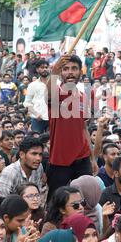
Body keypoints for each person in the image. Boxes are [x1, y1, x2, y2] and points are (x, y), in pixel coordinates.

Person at [46, 55, 92, 200]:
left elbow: (84, 128)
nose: (70, 72)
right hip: (59, 159)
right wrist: (53, 71)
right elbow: (47, 93)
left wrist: (92, 158)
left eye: (74, 68)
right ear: (60, 73)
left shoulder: (84, 96)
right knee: (56, 201)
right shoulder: (56, 93)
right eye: (65, 69)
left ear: (80, 72)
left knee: (85, 200)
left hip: (83, 158)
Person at [0, 137, 44, 205]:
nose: (38, 158)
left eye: (40, 154)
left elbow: (38, 195)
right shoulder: (10, 172)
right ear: (21, 154)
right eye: (34, 154)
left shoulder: (38, 167)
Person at [23, 60, 49, 133]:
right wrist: (36, 114)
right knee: (37, 140)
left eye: (46, 67)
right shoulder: (32, 85)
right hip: (37, 119)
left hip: (53, 118)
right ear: (37, 69)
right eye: (42, 67)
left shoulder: (56, 83)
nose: (45, 69)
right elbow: (27, 102)